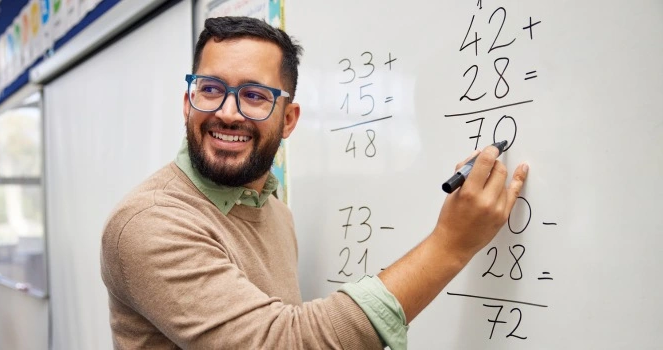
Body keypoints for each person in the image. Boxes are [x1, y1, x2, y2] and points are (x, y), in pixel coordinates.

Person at [100, 16, 529, 349]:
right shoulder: (149, 223)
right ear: (188, 101)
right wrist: (451, 243)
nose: (228, 112)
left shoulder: (274, 213)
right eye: (210, 89)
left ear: (288, 119)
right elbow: (286, 343)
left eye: (254, 95)